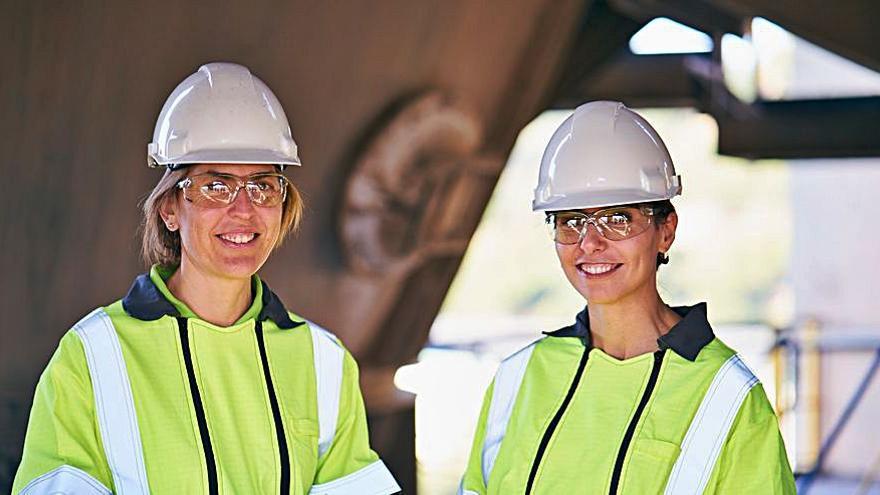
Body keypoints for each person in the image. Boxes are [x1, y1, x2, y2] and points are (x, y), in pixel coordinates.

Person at [13, 62, 400, 495]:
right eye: (217, 186)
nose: (243, 210)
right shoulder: (91, 358)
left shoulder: (323, 362)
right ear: (170, 209)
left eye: (263, 186)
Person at [458, 101, 795, 494]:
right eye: (571, 221)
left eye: (618, 219)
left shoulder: (727, 395)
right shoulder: (518, 379)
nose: (590, 243)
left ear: (665, 230)